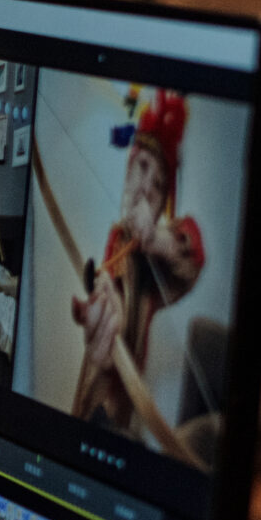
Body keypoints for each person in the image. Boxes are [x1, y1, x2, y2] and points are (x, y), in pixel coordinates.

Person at [70, 90, 205, 434]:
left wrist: (157, 238)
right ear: (128, 171)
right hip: (98, 383)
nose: (146, 188)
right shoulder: (117, 237)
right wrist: (101, 304)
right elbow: (111, 283)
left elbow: (191, 263)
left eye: (159, 185)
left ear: (161, 207)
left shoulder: (156, 258)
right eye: (142, 168)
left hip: (124, 407)